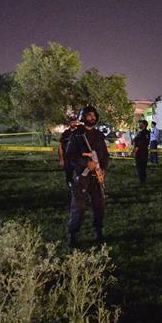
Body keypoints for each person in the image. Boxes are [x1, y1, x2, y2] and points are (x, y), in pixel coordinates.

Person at [66, 106, 111, 247]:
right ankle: (73, 235)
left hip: (97, 177)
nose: (92, 118)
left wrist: (103, 168)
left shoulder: (98, 135)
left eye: (93, 115)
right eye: (88, 115)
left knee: (99, 206)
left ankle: (98, 232)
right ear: (83, 117)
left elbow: (105, 154)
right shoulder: (77, 135)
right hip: (82, 176)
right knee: (78, 207)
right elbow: (70, 155)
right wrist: (86, 162)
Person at [133, 119, 151, 184]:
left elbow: (139, 143)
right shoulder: (147, 132)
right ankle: (143, 180)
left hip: (140, 153)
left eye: (140, 124)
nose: (139, 125)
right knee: (143, 167)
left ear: (143, 125)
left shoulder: (142, 133)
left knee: (140, 167)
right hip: (144, 152)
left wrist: (135, 151)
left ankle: (142, 181)